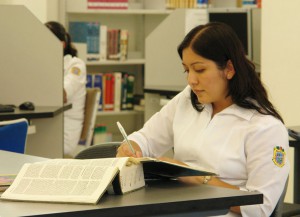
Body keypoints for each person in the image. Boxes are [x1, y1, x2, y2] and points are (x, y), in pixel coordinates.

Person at [117, 22, 290, 217]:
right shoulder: (188, 99)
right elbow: (148, 138)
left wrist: (199, 179)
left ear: (229, 69)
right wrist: (131, 146)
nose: (191, 80)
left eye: (199, 70)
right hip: (178, 207)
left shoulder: (264, 127)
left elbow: (261, 206)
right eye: (186, 70)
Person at [45, 21, 86, 157]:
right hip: (48, 126)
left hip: (64, 133)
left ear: (61, 44)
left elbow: (61, 95)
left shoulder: (76, 66)